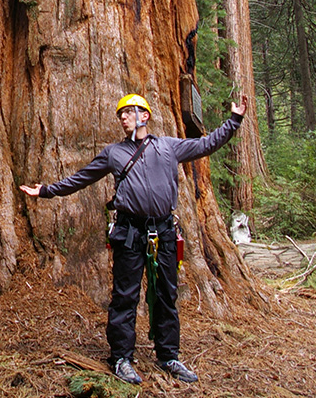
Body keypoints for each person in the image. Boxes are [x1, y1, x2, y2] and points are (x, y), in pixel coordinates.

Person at [20, 93, 248, 385]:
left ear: (145, 115)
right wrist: (47, 190)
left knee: (167, 295)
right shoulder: (113, 153)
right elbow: (81, 178)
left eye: (129, 111)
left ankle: (169, 356)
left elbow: (207, 144)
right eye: (121, 114)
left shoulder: (168, 146)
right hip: (129, 233)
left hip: (164, 233)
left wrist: (235, 119)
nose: (123, 117)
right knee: (125, 297)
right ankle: (121, 359)